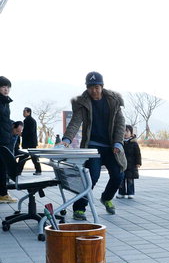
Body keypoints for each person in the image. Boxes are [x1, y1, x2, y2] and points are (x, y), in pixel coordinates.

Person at [58, 71, 126, 220]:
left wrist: (118, 142)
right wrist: (67, 139)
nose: (94, 91)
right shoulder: (82, 102)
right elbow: (75, 122)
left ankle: (107, 198)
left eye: (96, 87)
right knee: (91, 177)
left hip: (111, 146)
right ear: (87, 88)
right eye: (90, 87)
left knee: (118, 175)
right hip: (93, 147)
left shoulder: (113, 101)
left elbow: (121, 123)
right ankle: (79, 208)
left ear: (102, 86)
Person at [0, 76, 17, 203]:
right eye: (3, 87)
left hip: (5, 138)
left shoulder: (5, 102)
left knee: (2, 167)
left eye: (8, 87)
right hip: (1, 140)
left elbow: (4, 121)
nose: (6, 89)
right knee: (2, 167)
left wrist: (15, 124)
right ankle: (2, 193)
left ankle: (2, 193)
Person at [117, 125, 141, 199]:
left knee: (130, 179)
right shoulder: (120, 143)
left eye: (127, 131)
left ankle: (131, 193)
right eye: (123, 131)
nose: (125, 133)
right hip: (121, 164)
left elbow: (138, 154)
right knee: (121, 179)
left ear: (131, 133)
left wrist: (138, 163)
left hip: (131, 165)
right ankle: (121, 193)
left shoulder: (134, 143)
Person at [21, 107, 42, 175]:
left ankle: (17, 171)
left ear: (29, 112)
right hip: (31, 142)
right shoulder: (31, 120)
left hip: (29, 142)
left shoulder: (28, 120)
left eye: (24, 112)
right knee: (32, 157)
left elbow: (29, 132)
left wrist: (21, 134)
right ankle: (38, 170)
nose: (23, 113)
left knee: (24, 157)